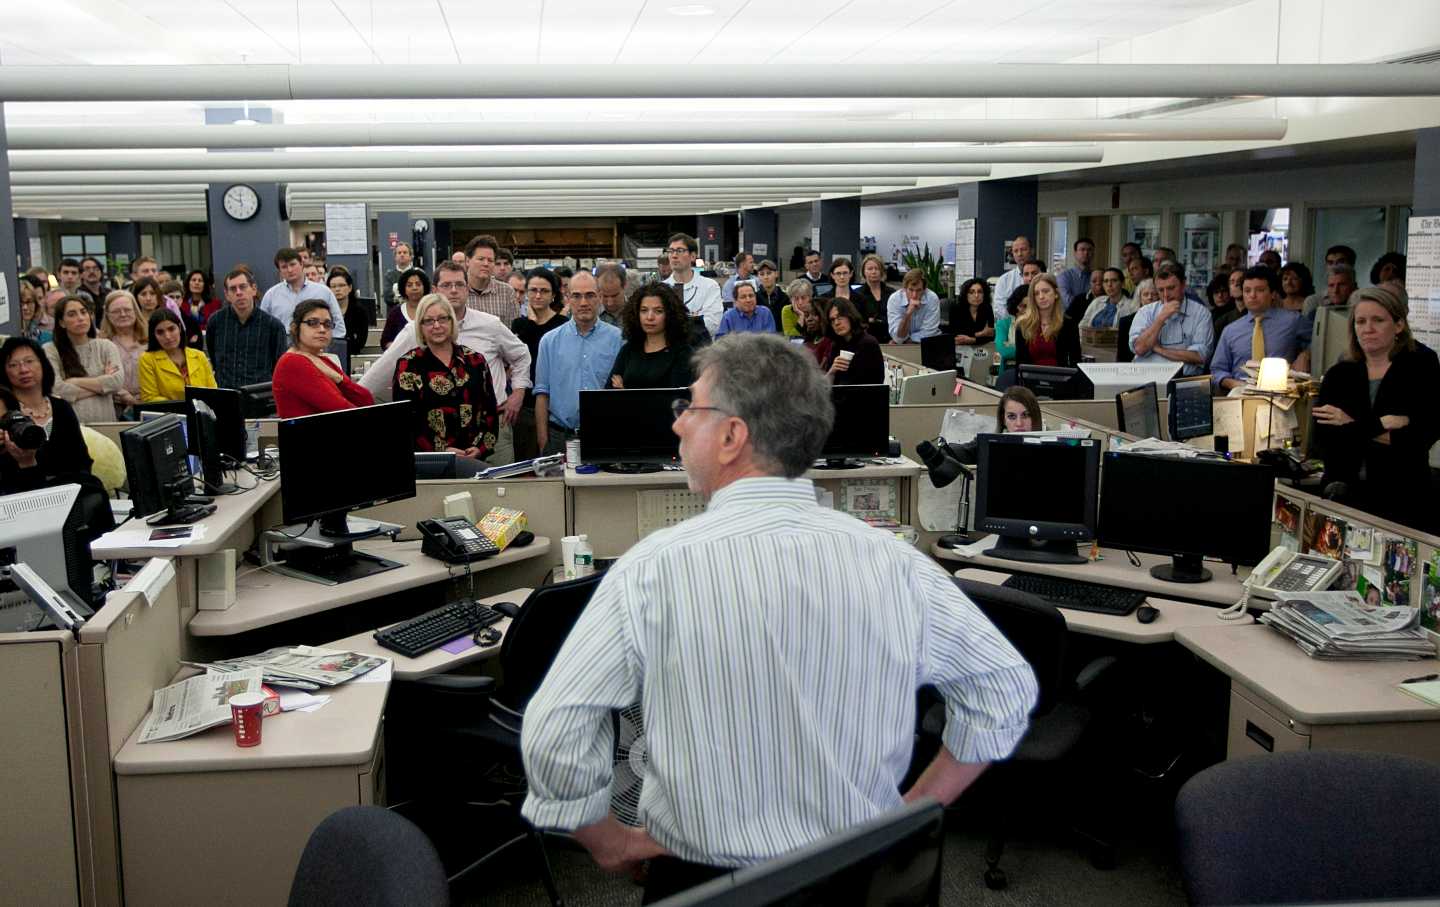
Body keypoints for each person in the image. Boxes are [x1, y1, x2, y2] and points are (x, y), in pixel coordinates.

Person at [519, 334, 1037, 901]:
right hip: (865, 878)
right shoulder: (896, 564)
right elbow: (1003, 689)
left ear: (731, 436)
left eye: (690, 408)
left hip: (706, 882)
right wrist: (914, 813)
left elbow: (555, 731)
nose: (677, 425)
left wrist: (609, 843)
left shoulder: (654, 569)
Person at [361, 260, 531, 466]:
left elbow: (521, 355)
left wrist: (518, 392)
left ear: (467, 288)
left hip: (489, 436)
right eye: (446, 285)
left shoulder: (486, 334)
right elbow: (376, 383)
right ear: (434, 290)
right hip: (434, 449)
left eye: (459, 285)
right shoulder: (411, 343)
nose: (453, 291)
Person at [1312, 286, 1440, 533]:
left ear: (1399, 325)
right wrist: (1384, 424)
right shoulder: (1340, 373)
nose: (1367, 328)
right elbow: (1323, 440)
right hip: (1343, 494)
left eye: (1378, 320)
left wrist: (1349, 424)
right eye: (1360, 321)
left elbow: (1419, 439)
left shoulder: (1420, 368)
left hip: (1404, 497)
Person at [392, 294, 499, 472]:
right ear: (420, 326)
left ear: (452, 321)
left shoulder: (476, 361)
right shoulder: (408, 365)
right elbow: (405, 422)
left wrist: (479, 448)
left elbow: (490, 412)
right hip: (430, 465)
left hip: (475, 460)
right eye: (428, 321)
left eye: (442, 318)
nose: (437, 326)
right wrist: (440, 452)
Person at [534, 273, 624, 455]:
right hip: (560, 437)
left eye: (590, 295)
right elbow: (542, 395)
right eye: (576, 296)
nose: (583, 302)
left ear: (599, 297)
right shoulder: (549, 341)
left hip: (605, 435)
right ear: (567, 298)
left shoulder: (618, 340)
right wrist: (543, 442)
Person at [0, 339, 94, 495]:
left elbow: (82, 461)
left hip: (70, 495)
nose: (23, 369)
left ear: (42, 363)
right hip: (20, 497)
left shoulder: (61, 407)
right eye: (13, 365)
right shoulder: (5, 412)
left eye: (29, 361)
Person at [272, 300, 375, 418]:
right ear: (295, 328)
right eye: (312, 323)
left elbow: (366, 400)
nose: (322, 329)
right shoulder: (292, 362)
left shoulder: (323, 361)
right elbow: (343, 410)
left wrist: (338, 378)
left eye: (327, 324)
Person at [1210, 266, 1306, 390]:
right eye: (1247, 290)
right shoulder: (1230, 330)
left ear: (1272, 293)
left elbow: (1317, 343)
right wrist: (1234, 384)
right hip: (1241, 394)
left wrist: (1306, 354)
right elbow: (1217, 370)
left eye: (1260, 290)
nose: (1252, 296)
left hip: (1281, 393)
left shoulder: (1293, 321)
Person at [510, 269, 569, 462]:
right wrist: (531, 323)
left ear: (553, 294)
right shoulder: (519, 324)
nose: (537, 295)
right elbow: (516, 359)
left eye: (544, 291)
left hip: (553, 404)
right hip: (525, 403)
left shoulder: (563, 325)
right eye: (533, 290)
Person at [44, 295, 125, 424]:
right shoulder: (50, 350)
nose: (80, 318)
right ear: (61, 322)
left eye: (83, 312)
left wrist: (74, 381)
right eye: (72, 314)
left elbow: (116, 382)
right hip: (72, 427)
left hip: (106, 424)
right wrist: (102, 383)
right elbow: (58, 389)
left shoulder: (106, 346)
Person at [206, 268, 290, 390]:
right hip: (226, 394)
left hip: (260, 395)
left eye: (243, 287)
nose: (238, 293)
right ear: (227, 295)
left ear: (254, 289)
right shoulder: (215, 322)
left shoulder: (273, 326)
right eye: (233, 289)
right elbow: (214, 358)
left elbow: (279, 368)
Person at [1128, 261, 1214, 376]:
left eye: (1171, 288)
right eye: (1160, 290)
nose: (1165, 295)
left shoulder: (1201, 313)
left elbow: (1199, 356)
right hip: (1145, 378)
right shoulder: (1146, 312)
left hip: (1184, 381)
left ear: (1183, 285)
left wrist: (1158, 349)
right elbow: (1139, 348)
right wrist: (1161, 319)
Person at [609, 283, 694, 390]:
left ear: (670, 314)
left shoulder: (683, 353)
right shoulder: (629, 350)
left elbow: (677, 399)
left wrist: (625, 390)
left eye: (658, 311)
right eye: (644, 310)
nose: (649, 317)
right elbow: (609, 393)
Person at [138, 309, 219, 402]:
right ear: (154, 335)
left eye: (171, 329)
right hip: (168, 415)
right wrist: (186, 407)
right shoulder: (147, 359)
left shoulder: (199, 355)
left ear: (179, 328)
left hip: (203, 413)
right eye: (160, 332)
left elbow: (213, 392)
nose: (167, 336)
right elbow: (150, 398)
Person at [1013, 274, 1081, 369]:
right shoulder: (1023, 325)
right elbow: (1019, 365)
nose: (1041, 297)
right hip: (1030, 381)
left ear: (1056, 293)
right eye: (1036, 293)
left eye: (1045, 291)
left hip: (1061, 380)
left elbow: (1076, 362)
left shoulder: (1069, 324)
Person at [663, 234, 724, 338]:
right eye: (671, 251)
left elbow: (712, 325)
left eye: (680, 250)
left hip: (700, 350)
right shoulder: (661, 288)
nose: (674, 255)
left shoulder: (709, 286)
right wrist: (695, 320)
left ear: (692, 256)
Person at [99, 290, 145, 414]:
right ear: (107, 314)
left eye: (127, 309)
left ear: (135, 311)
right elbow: (99, 376)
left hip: (147, 404)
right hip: (115, 408)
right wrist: (124, 395)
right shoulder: (100, 343)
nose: (123, 314)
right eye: (116, 311)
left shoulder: (149, 339)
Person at [820, 299, 883, 385]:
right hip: (839, 396)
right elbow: (825, 387)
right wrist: (832, 371)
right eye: (832, 320)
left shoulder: (868, 343)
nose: (836, 323)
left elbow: (876, 382)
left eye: (840, 317)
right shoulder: (836, 345)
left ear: (850, 316)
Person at [464, 234, 523, 323]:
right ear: (468, 261)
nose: (486, 264)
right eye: (481, 259)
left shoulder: (507, 292)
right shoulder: (457, 291)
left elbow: (513, 331)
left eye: (490, 260)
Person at [380, 267, 431, 351]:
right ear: (404, 289)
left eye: (418, 284)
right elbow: (385, 341)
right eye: (409, 285)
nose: (414, 288)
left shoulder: (432, 310)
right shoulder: (395, 313)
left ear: (424, 287)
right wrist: (397, 348)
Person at [887, 270, 941, 343]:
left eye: (919, 290)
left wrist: (907, 341)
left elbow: (929, 332)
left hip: (927, 343)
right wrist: (908, 313)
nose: (914, 295)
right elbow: (898, 336)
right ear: (904, 289)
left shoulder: (932, 298)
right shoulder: (895, 299)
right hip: (904, 344)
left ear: (924, 290)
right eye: (911, 290)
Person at [327, 267, 371, 354]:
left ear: (350, 287)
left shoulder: (359, 311)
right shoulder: (324, 310)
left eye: (341, 285)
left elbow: (360, 342)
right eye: (333, 286)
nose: (337, 289)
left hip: (352, 355)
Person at [853, 253, 893, 343]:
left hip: (891, 341)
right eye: (870, 269)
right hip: (865, 342)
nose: (874, 272)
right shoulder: (857, 294)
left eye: (877, 268)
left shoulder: (892, 293)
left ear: (882, 271)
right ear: (863, 272)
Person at [1056, 237, 1095, 313]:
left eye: (1089, 250)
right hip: (1070, 320)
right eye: (1082, 250)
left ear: (1093, 253)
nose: (1086, 253)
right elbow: (1068, 303)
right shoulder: (1064, 277)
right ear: (1075, 253)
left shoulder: (1096, 277)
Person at [951, 278, 995, 345]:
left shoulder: (987, 308)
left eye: (980, 292)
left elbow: (991, 336)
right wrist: (981, 334)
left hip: (982, 348)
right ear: (966, 295)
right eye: (971, 292)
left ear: (984, 294)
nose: (976, 295)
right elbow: (957, 337)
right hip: (960, 348)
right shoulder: (956, 309)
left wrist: (972, 340)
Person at [993, 234, 1032, 303]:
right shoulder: (1004, 280)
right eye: (1016, 251)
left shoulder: (1043, 276)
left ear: (1032, 251)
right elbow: (1000, 309)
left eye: (1023, 249)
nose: (1019, 254)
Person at [755, 259, 789, 330]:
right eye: (762, 274)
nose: (766, 277)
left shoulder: (785, 298)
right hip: (760, 337)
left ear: (776, 274)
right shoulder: (754, 298)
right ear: (758, 276)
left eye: (769, 273)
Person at [18, 280, 53, 344]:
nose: (25, 307)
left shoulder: (47, 338)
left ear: (36, 305)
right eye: (20, 303)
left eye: (29, 302)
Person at [383, 242, 414, 311]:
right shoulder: (389, 276)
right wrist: (410, 296)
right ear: (395, 257)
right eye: (399, 253)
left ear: (411, 256)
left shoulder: (418, 274)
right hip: (394, 315)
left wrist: (397, 293)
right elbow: (388, 298)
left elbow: (422, 296)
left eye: (405, 252)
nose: (402, 255)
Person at [596, 263, 628, 328]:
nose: (610, 303)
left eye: (615, 296)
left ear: (625, 285)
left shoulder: (637, 313)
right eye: (605, 296)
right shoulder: (591, 315)